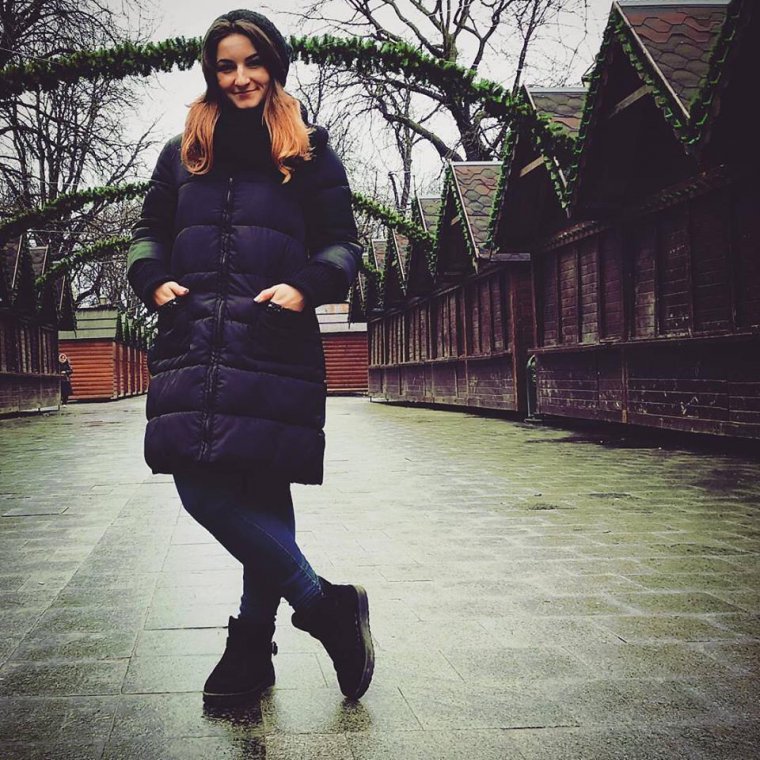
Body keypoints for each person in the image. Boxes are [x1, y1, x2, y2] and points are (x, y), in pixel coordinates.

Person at [126, 9, 373, 706]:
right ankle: (324, 606)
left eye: (252, 62)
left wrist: (307, 286)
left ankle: (250, 650)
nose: (240, 77)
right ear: (212, 72)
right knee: (200, 487)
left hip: (272, 340)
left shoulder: (309, 153)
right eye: (226, 65)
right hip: (193, 339)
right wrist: (153, 279)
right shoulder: (182, 153)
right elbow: (148, 232)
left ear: (275, 64)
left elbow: (342, 243)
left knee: (262, 490)